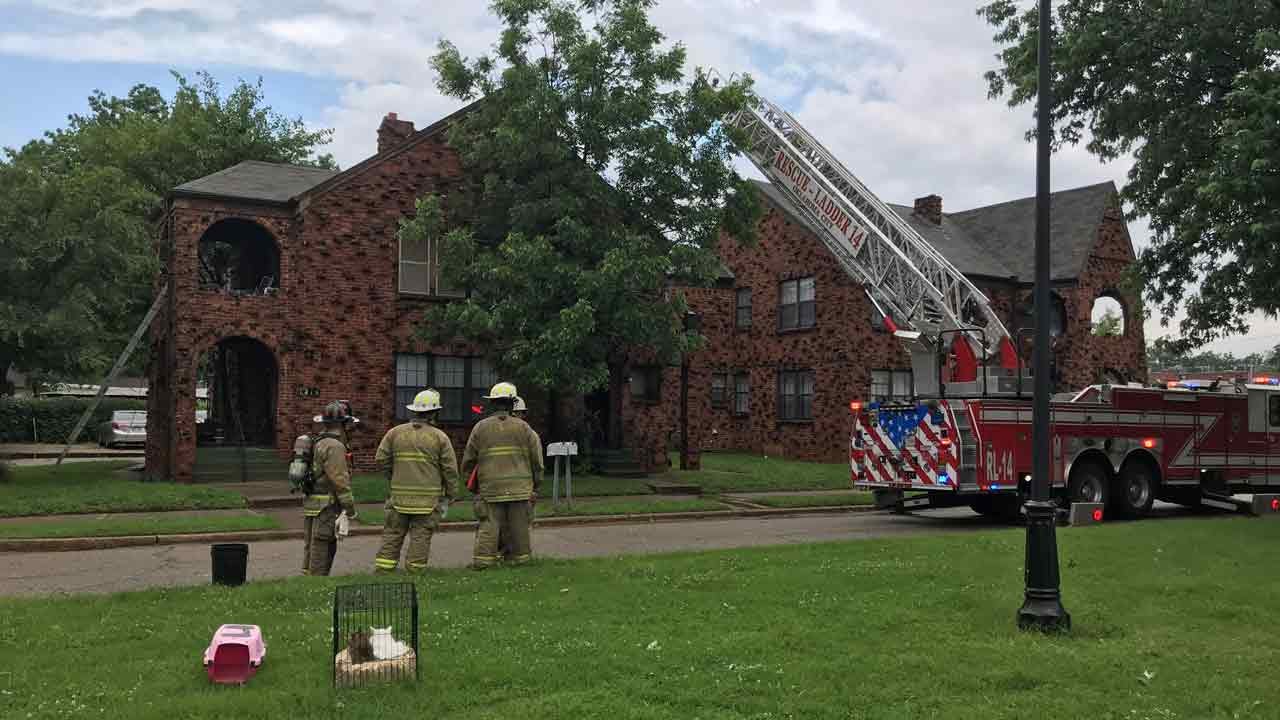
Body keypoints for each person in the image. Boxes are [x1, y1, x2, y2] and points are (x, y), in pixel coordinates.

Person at [372, 389, 459, 573]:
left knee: (392, 533)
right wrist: (451, 493)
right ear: (434, 413)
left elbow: (381, 459)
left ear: (414, 410)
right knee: (421, 535)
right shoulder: (440, 437)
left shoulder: (394, 433)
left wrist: (393, 475)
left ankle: (384, 569)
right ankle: (415, 570)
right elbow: (450, 469)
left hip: (398, 497)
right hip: (427, 501)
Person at [462, 382, 543, 569]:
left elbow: (469, 460)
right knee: (519, 529)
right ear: (512, 403)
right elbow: (537, 462)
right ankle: (520, 561)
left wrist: (472, 484)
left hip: (490, 488)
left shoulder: (480, 428)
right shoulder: (524, 428)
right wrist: (535, 485)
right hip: (520, 488)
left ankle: (483, 562)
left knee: (488, 526)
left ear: (492, 403)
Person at [303, 400, 359, 576]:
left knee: (312, 544)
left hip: (314, 502)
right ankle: (317, 581)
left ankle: (307, 579)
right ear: (343, 423)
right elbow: (339, 481)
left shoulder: (320, 440)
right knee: (323, 545)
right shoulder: (335, 446)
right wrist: (350, 508)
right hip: (326, 505)